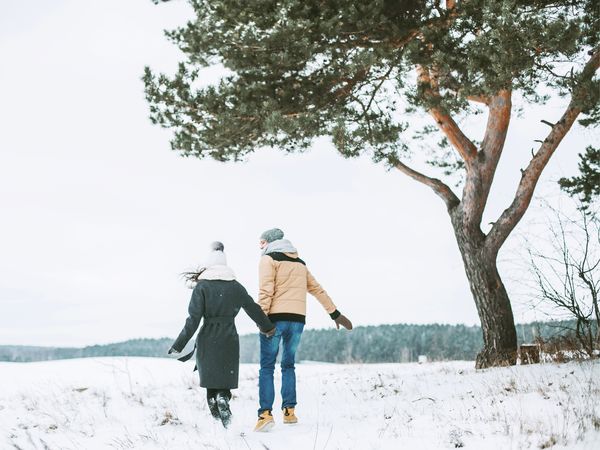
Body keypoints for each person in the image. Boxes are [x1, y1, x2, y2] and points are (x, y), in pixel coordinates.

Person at [254, 228, 353, 432]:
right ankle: (289, 411)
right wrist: (334, 313)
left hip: (274, 320)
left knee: (267, 367)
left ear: (270, 242)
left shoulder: (268, 260)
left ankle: (265, 414)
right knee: (288, 365)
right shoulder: (300, 264)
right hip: (297, 320)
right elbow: (317, 289)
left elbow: (266, 291)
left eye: (262, 242)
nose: (260, 246)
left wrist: (261, 320)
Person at [169, 241, 276, 428]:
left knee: (211, 380)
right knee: (224, 380)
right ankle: (223, 401)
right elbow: (253, 308)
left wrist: (179, 344)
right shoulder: (235, 286)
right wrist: (268, 327)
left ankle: (218, 416)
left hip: (207, 339)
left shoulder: (201, 287)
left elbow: (192, 320)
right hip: (229, 339)